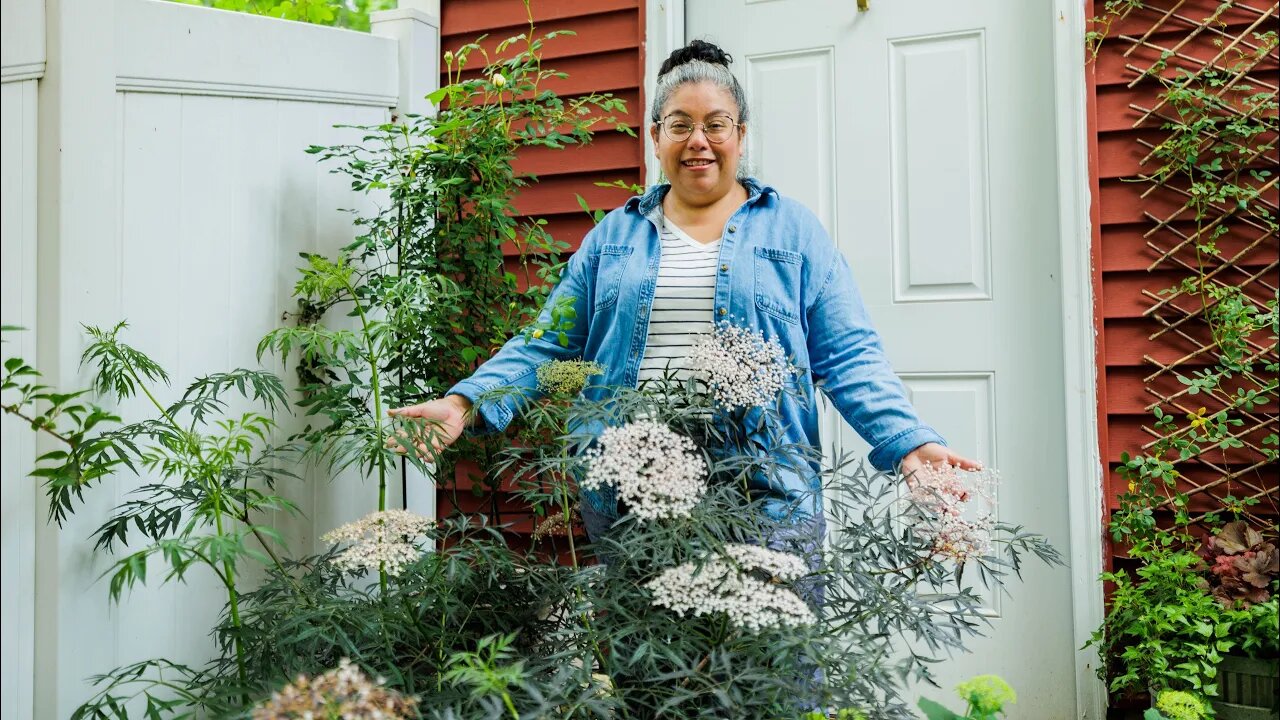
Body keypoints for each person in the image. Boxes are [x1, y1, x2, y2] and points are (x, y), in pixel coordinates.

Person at [390, 39, 979, 541]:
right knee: (649, 670)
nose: (699, 140)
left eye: (716, 124)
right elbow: (546, 343)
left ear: (740, 134)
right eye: (680, 125)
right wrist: (463, 401)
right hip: (629, 486)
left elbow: (849, 353)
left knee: (774, 668)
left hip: (764, 486)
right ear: (655, 137)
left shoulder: (793, 231)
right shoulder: (613, 239)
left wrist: (907, 443)